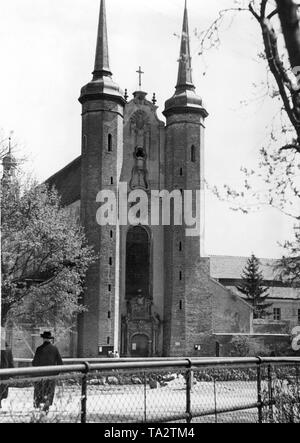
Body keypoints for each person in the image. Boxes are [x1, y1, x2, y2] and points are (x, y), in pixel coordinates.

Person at [32, 331, 63, 412]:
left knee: (39, 391)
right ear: (50, 339)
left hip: (40, 375)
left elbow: (34, 363)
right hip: (51, 375)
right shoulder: (55, 349)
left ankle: (38, 404)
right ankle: (47, 405)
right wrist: (56, 373)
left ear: (43, 339)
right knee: (49, 391)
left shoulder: (39, 349)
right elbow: (60, 363)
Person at [0, 333, 14, 409]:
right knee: (3, 392)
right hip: (4, 374)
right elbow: (11, 362)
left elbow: (10, 362)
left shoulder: (7, 349)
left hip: (4, 373)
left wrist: (11, 375)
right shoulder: (8, 348)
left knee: (3, 393)